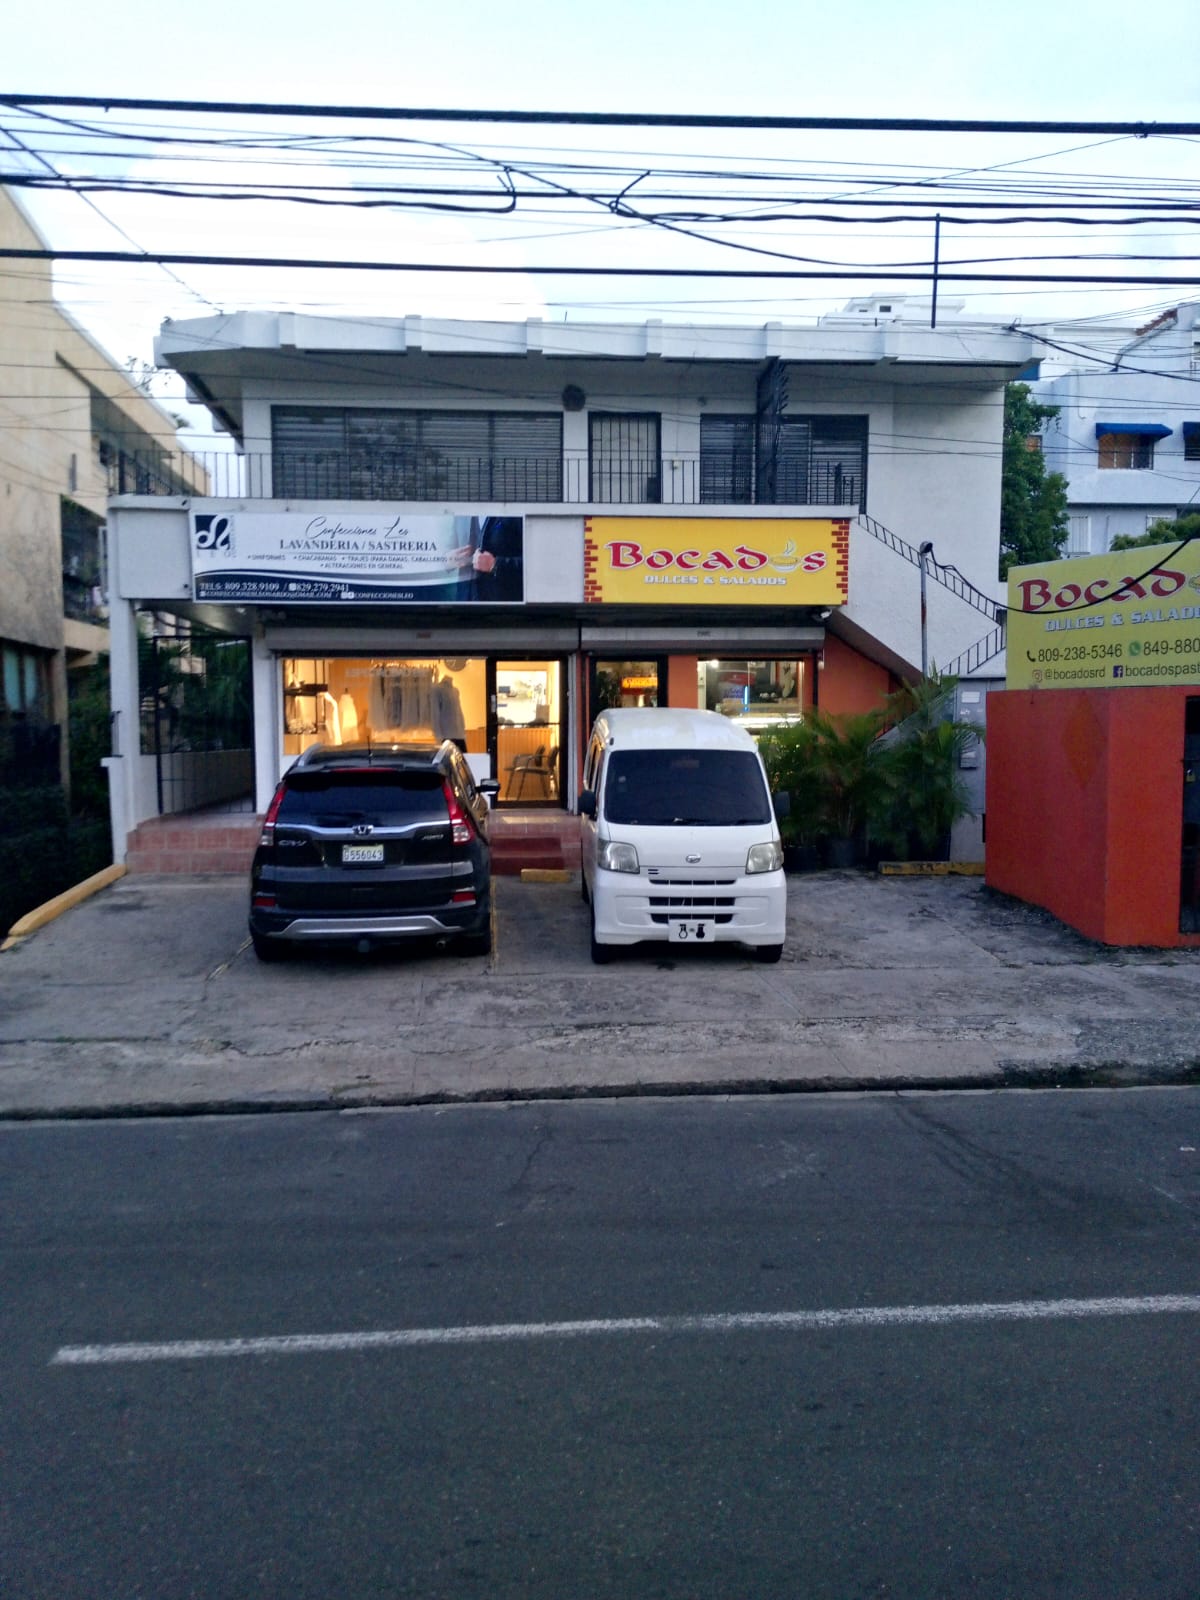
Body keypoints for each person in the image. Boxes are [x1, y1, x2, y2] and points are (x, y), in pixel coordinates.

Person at [448, 516, 524, 603]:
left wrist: (495, 565)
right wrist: (448, 559)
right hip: (463, 607)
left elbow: (536, 565)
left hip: (504, 609)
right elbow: (446, 552)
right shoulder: (461, 511)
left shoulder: (517, 510)